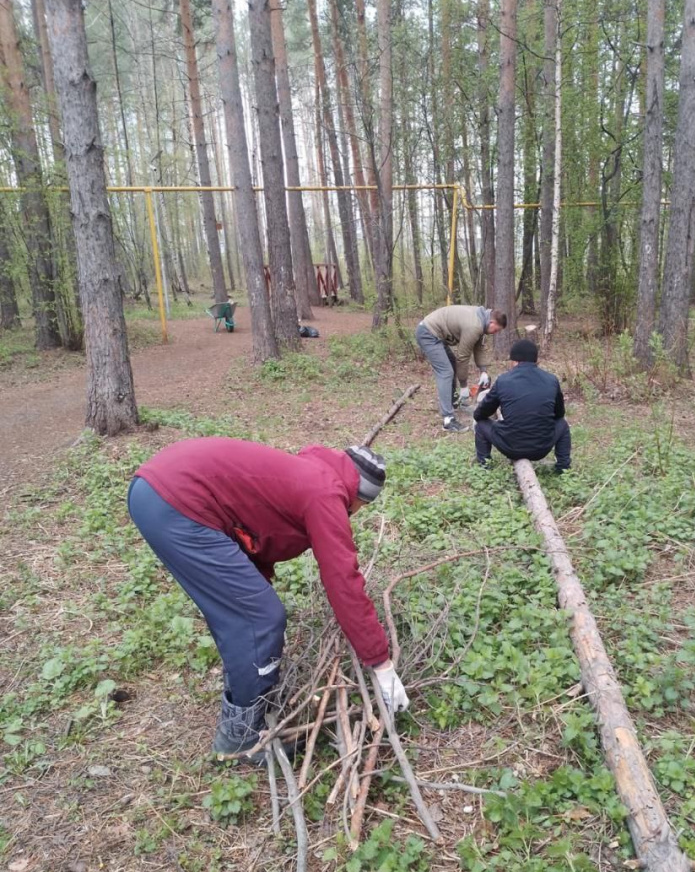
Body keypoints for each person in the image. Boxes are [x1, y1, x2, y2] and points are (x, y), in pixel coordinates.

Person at [127, 437, 408, 763]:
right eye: (362, 507)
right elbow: (344, 583)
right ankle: (240, 737)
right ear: (360, 496)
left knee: (243, 611)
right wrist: (380, 663)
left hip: (158, 488)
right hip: (177, 502)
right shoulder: (326, 495)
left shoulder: (310, 472)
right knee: (260, 618)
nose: (355, 514)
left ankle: (247, 694)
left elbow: (254, 523)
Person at [473, 338, 571, 472]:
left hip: (511, 446)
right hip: (541, 448)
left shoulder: (503, 380)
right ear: (535, 360)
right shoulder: (551, 380)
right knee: (563, 424)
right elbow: (559, 414)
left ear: (515, 361)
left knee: (481, 425)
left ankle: (484, 466)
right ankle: (563, 467)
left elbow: (482, 413)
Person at [415, 304, 507, 432]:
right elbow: (463, 357)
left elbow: (478, 347)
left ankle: (454, 403)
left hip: (436, 334)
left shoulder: (481, 320)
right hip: (428, 333)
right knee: (446, 372)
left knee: (451, 363)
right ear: (491, 322)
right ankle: (448, 420)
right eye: (496, 330)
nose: (495, 333)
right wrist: (464, 386)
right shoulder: (474, 326)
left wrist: (483, 371)